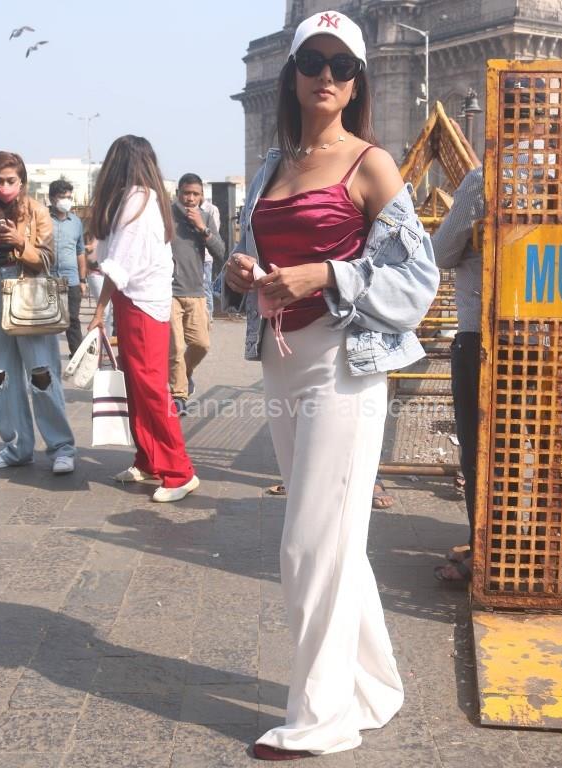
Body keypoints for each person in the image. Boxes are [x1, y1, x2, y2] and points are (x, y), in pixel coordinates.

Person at [223, 10, 439, 759]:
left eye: (341, 66)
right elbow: (253, 254)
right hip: (281, 359)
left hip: (344, 363)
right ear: (292, 75)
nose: (325, 75)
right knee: (334, 537)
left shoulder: (370, 164)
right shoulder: (271, 168)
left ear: (356, 83)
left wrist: (326, 274)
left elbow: (417, 278)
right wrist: (242, 273)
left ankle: (322, 718)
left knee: (309, 540)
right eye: (312, 62)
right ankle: (373, 690)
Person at [87, 135, 198, 503]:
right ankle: (149, 460)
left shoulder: (138, 199)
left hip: (141, 304)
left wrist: (99, 310)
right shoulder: (141, 198)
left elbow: (119, 265)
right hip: (137, 301)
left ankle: (180, 471)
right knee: (137, 387)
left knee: (150, 388)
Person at [0, 151, 76, 474]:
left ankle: (62, 447)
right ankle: (17, 446)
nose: (4, 187)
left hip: (30, 293)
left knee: (41, 373)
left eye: (10, 180)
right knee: (0, 375)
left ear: (21, 181)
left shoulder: (37, 211)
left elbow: (48, 259)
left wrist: (19, 241)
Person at [431, 166, 484, 582]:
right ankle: (549, 545)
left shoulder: (488, 177)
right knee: (550, 449)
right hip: (560, 336)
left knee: (482, 447)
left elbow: (441, 253)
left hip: (484, 336)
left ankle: (486, 548)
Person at [169, 173, 224, 414]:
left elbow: (221, 252)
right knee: (176, 348)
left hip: (196, 291)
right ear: (178, 193)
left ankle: (185, 373)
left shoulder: (205, 217)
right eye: (186, 193)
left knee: (201, 344)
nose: (190, 198)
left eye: (195, 194)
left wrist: (203, 229)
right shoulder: (166, 215)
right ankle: (178, 396)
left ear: (202, 196)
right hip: (169, 291)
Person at [48, 179, 86, 357]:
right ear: (52, 198)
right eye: (62, 197)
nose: (66, 201)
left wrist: (83, 280)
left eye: (69, 197)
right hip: (47, 278)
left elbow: (80, 252)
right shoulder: (42, 219)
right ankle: (48, 357)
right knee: (48, 320)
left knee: (73, 320)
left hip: (71, 279)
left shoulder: (76, 222)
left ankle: (77, 358)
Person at [84, 233, 114, 338]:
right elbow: (83, 249)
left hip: (109, 274)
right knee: (104, 311)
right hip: (96, 273)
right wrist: (88, 248)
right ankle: (96, 340)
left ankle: (106, 342)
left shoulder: (112, 232)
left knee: (108, 313)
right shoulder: (92, 232)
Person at [200, 189, 221, 322]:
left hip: (206, 255)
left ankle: (209, 316)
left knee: (206, 286)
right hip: (193, 255)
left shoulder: (211, 209)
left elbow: (214, 231)